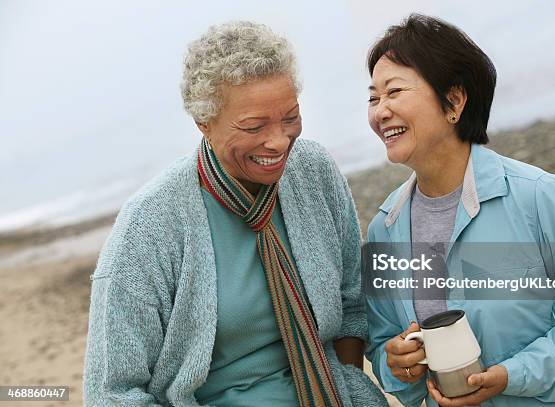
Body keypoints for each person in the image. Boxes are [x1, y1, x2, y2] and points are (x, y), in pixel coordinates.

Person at [83, 21, 387, 406]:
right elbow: (111, 394)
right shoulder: (148, 227)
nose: (279, 141)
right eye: (254, 126)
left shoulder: (313, 171)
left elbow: (351, 302)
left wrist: (345, 386)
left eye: (290, 117)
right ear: (204, 124)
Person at [364, 13, 555, 407]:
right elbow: (382, 347)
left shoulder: (539, 197)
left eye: (394, 92)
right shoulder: (384, 231)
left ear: (455, 101)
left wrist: (513, 375)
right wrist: (398, 364)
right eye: (373, 98)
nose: (380, 111)